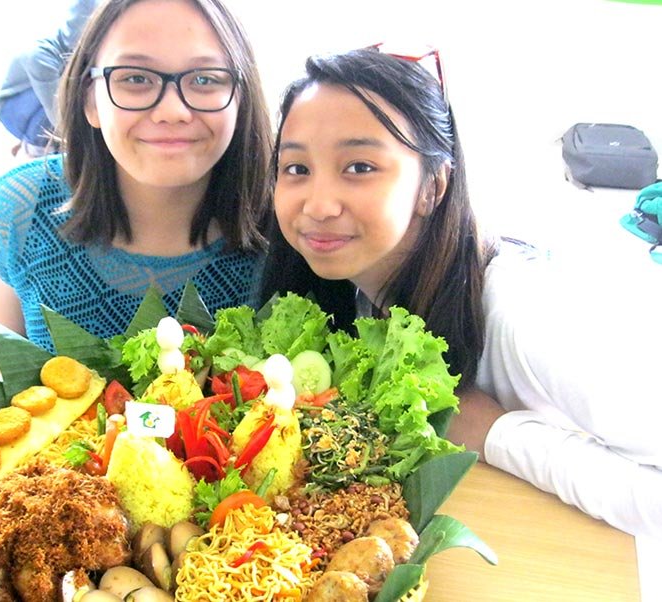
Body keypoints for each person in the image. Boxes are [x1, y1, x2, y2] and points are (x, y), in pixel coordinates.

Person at [259, 47, 662, 538]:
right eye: (296, 169)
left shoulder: (525, 312)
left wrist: (496, 434)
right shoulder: (355, 291)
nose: (318, 205)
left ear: (433, 186)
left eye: (360, 167)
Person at [0, 0, 272, 351]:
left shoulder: (289, 220)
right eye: (136, 78)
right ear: (90, 100)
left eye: (205, 79)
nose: (172, 111)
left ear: (241, 97)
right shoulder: (23, 208)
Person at [0, 0, 100, 158]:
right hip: (13, 108)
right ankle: (34, 153)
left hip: (44, 110)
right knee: (66, 113)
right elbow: (56, 110)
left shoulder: (79, 58)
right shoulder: (40, 56)